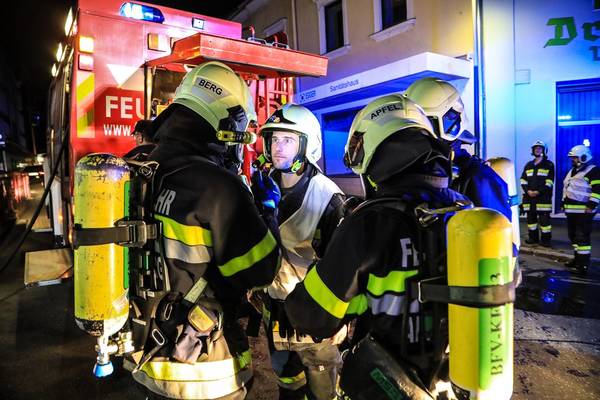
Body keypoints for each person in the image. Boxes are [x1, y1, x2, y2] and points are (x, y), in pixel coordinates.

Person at [284, 94, 468, 399]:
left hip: (390, 385)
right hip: (455, 384)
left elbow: (313, 315)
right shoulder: (466, 213)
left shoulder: (370, 221)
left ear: (375, 150)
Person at [125, 61, 280, 399]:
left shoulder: (137, 165)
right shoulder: (219, 187)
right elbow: (262, 271)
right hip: (204, 370)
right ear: (229, 124)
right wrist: (267, 210)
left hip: (143, 354)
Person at [253, 103, 345, 400]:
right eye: (274, 139)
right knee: (288, 386)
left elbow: (343, 268)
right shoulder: (262, 189)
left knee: (323, 393)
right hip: (275, 312)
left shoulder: (328, 196)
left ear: (308, 145)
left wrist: (339, 319)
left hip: (315, 316)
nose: (277, 147)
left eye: (288, 140)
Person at [405, 78, 512, 222]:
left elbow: (497, 232)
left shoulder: (479, 178)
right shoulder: (419, 173)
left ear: (451, 119)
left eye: (427, 123)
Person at [562, 144, 599, 274]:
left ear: (584, 157)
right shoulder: (573, 171)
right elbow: (568, 188)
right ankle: (577, 259)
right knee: (573, 236)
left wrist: (591, 205)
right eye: (572, 158)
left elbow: (598, 189)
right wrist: (563, 202)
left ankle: (582, 266)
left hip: (584, 211)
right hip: (572, 211)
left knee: (582, 238)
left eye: (575, 157)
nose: (572, 160)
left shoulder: (593, 170)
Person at [520, 141, 555, 246]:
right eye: (535, 148)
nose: (537, 150)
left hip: (543, 199)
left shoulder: (548, 164)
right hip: (529, 199)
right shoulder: (529, 165)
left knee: (545, 223)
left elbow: (549, 182)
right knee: (531, 222)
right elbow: (523, 180)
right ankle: (533, 238)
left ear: (544, 150)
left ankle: (546, 241)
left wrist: (538, 192)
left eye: (540, 148)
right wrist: (528, 191)